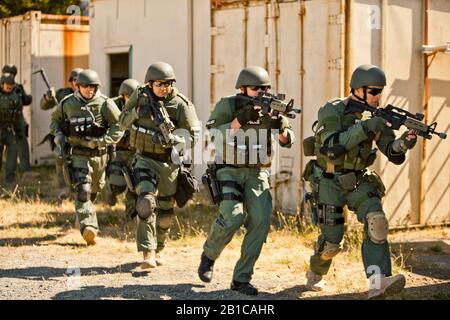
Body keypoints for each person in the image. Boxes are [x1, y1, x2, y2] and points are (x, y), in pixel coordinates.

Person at [302, 64, 417, 299]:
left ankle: (378, 281)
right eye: (373, 91)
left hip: (358, 179)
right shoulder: (332, 109)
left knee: (377, 223)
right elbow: (332, 147)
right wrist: (366, 127)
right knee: (332, 244)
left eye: (380, 92)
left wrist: (404, 142)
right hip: (329, 180)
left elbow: (392, 152)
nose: (377, 97)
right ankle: (316, 271)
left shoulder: (377, 116)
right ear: (359, 89)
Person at [197, 66, 295, 295]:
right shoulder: (228, 105)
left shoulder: (273, 108)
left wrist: (280, 127)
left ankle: (241, 279)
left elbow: (287, 140)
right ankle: (209, 255)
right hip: (228, 170)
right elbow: (213, 135)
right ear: (242, 88)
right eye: (255, 89)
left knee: (260, 220)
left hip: (257, 172)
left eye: (264, 88)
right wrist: (239, 121)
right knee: (233, 216)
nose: (260, 92)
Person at [119, 62, 200, 268]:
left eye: (168, 84)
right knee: (146, 203)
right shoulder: (139, 96)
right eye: (159, 84)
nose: (164, 88)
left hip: (169, 163)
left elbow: (194, 136)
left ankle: (160, 247)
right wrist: (137, 112)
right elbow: (121, 122)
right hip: (144, 159)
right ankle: (148, 252)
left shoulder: (181, 104)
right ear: (150, 83)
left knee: (165, 213)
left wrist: (174, 140)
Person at [50, 69, 123, 245]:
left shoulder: (106, 104)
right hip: (78, 155)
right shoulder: (68, 103)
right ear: (78, 86)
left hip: (99, 157)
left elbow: (119, 127)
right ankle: (89, 228)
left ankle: (82, 217)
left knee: (94, 191)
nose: (89, 89)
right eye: (86, 86)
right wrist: (58, 135)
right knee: (83, 191)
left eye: (93, 86)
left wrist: (100, 141)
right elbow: (55, 120)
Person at [40, 68, 83, 197]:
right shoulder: (63, 94)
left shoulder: (89, 94)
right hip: (65, 134)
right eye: (74, 80)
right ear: (71, 82)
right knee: (61, 159)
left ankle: (83, 190)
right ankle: (64, 189)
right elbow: (43, 105)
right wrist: (48, 97)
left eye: (79, 80)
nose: (77, 83)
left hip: (82, 135)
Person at [105, 78, 140, 221]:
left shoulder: (140, 107)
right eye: (129, 97)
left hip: (134, 152)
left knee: (134, 186)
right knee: (117, 185)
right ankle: (110, 191)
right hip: (117, 152)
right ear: (123, 95)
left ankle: (129, 217)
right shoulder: (112, 106)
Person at [1, 64, 33, 178]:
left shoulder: (18, 88)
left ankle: (24, 170)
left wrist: (29, 97)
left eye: (13, 75)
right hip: (4, 123)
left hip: (17, 119)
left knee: (20, 143)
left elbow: (26, 100)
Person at [0, 73, 23, 183]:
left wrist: (19, 132)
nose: (9, 86)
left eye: (11, 84)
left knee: (13, 152)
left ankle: (10, 179)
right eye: (7, 84)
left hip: (9, 130)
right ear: (2, 84)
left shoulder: (16, 97)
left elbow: (18, 116)